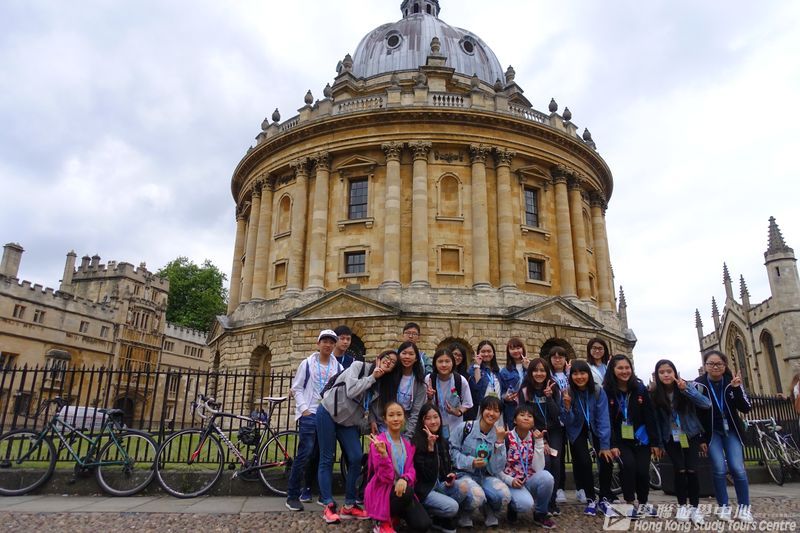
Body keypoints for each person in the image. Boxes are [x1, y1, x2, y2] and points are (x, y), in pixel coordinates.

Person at [316, 349, 398, 524]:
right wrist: (372, 377)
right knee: (327, 458)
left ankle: (349, 504)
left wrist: (373, 420)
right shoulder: (358, 366)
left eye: (393, 363)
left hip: (348, 422)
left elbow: (374, 405)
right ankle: (328, 505)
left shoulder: (382, 383)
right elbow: (352, 391)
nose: (389, 362)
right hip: (328, 412)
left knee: (355, 457)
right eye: (387, 358)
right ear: (378, 358)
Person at [285, 329, 343, 512]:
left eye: (331, 342)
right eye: (325, 341)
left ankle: (323, 495)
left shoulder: (338, 368)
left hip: (327, 415)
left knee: (325, 455)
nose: (328, 345)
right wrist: (304, 410)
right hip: (310, 413)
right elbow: (297, 388)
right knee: (305, 453)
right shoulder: (307, 364)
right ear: (318, 343)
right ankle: (292, 496)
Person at [650, 359, 711, 525]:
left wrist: (686, 390)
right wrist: (659, 444)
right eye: (662, 372)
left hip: (690, 434)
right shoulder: (655, 394)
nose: (666, 375)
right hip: (671, 437)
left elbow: (706, 404)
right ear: (657, 375)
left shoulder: (686, 387)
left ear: (675, 372)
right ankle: (682, 505)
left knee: (692, 470)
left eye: (669, 371)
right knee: (679, 470)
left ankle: (695, 508)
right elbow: (656, 421)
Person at [695, 350, 754, 523]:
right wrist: (701, 438)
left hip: (732, 431)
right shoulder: (699, 384)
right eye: (711, 364)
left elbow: (746, 408)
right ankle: (723, 507)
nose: (715, 367)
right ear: (705, 366)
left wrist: (736, 389)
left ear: (724, 365)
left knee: (738, 469)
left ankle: (744, 508)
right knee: (719, 469)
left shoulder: (731, 381)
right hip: (712, 433)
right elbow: (695, 413)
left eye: (719, 364)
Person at [603, 354, 659, 519]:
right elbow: (607, 420)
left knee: (643, 471)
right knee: (628, 467)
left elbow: (650, 416)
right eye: (620, 368)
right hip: (620, 440)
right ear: (613, 370)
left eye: (627, 367)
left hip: (641, 438)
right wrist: (612, 443)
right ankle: (629, 502)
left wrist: (655, 442)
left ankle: (643, 503)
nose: (624, 371)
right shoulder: (607, 391)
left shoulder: (640, 388)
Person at [365, 401, 431, 533]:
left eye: (399, 414)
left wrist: (404, 479)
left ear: (404, 418)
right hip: (383, 491)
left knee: (424, 524)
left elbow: (411, 470)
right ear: (385, 419)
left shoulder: (407, 444)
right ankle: (381, 521)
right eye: (391, 415)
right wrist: (384, 455)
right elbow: (384, 477)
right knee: (408, 492)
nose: (395, 419)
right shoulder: (378, 443)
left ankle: (394, 516)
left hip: (402, 491)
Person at [561, 358, 613, 517]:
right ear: (571, 376)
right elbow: (567, 421)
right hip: (577, 430)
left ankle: (604, 497)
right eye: (575, 374)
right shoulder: (568, 392)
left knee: (606, 459)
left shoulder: (598, 391)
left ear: (588, 374)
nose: (579, 377)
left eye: (582, 373)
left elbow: (603, 418)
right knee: (584, 462)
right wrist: (567, 407)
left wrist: (605, 445)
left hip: (595, 427)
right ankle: (590, 498)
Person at [449, 395, 510, 528]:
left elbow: (496, 468)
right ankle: (465, 512)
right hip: (463, 475)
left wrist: (499, 443)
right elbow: (451, 453)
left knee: (504, 495)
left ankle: (488, 509)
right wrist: (471, 462)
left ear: (500, 415)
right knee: (477, 496)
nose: (491, 413)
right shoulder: (465, 428)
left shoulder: (498, 435)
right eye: (488, 409)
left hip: (485, 476)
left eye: (496, 411)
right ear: (481, 410)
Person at [412, 403, 473, 533]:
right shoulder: (416, 442)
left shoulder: (443, 440)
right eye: (428, 418)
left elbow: (447, 466)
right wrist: (430, 448)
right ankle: (429, 514)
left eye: (436, 417)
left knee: (464, 488)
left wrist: (450, 475)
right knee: (453, 507)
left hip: (440, 484)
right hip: (425, 490)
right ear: (422, 421)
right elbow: (425, 475)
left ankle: (441, 518)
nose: (433, 421)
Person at [498, 404, 556, 529]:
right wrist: (510, 480)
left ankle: (540, 513)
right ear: (515, 420)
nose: (526, 418)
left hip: (529, 479)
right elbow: (497, 467)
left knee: (547, 477)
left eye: (530, 416)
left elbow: (539, 469)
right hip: (511, 482)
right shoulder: (507, 438)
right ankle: (512, 506)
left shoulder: (535, 438)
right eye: (522, 415)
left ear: (533, 422)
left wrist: (539, 443)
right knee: (524, 505)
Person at [519, 357, 563, 516]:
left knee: (556, 463)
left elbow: (557, 414)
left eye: (542, 370)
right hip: (535, 431)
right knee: (545, 462)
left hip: (554, 430)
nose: (539, 373)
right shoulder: (525, 391)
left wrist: (549, 397)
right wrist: (540, 438)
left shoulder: (553, 387)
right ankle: (542, 501)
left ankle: (552, 502)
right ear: (530, 372)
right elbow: (523, 416)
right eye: (535, 370)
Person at [370, 341, 426, 439]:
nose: (407, 357)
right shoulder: (388, 375)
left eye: (411, 354)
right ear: (398, 355)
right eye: (404, 353)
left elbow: (416, 413)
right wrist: (372, 419)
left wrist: (408, 436)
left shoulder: (419, 383)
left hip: (405, 428)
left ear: (416, 358)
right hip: (383, 426)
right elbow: (374, 398)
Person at [424, 348, 472, 439]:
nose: (444, 365)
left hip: (455, 427)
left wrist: (457, 412)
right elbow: (423, 406)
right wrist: (430, 398)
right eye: (440, 361)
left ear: (453, 363)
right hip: (433, 426)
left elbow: (468, 403)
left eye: (447, 361)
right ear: (435, 363)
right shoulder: (429, 379)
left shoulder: (460, 380)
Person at [545, 346, 571, 505]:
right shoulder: (548, 376)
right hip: (556, 420)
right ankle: (559, 487)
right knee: (558, 456)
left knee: (577, 454)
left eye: (560, 356)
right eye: (554, 357)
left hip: (571, 419)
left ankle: (581, 488)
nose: (558, 359)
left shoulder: (571, 374)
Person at [466, 340, 502, 421]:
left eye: (489, 351)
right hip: (481, 408)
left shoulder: (497, 371)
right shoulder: (473, 369)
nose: (486, 354)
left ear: (493, 353)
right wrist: (477, 365)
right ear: (478, 353)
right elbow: (476, 387)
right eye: (483, 351)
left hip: (497, 408)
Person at [499, 337, 529, 428]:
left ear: (523, 349)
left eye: (518, 348)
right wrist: (505, 397)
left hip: (529, 406)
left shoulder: (531, 366)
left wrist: (528, 369)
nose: (516, 351)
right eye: (512, 349)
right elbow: (502, 392)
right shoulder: (504, 371)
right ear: (508, 351)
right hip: (512, 408)